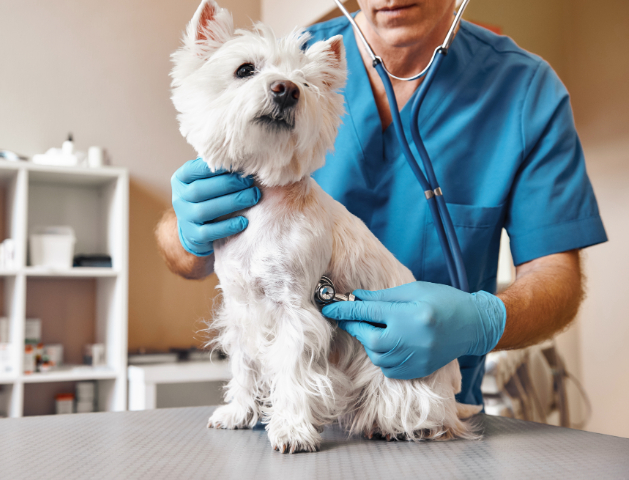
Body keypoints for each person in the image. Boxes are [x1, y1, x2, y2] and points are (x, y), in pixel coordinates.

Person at [156, 0, 607, 407]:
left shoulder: (525, 90)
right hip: (286, 417)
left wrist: (481, 321)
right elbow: (188, 248)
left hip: (418, 406)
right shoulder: (290, 61)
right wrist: (185, 230)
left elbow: (557, 280)